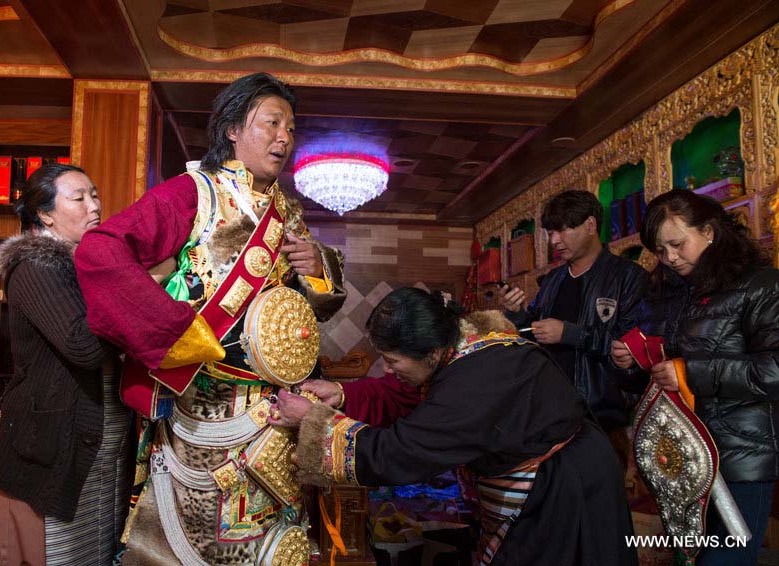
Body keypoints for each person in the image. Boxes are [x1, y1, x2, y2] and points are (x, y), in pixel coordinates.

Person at [74, 72, 346, 565]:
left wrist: (318, 268)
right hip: (205, 411)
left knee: (279, 546)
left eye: (290, 126)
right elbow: (102, 252)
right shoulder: (191, 193)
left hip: (278, 416)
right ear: (233, 130)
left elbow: (303, 313)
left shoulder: (288, 210)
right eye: (271, 122)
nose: (284, 136)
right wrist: (172, 333)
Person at [274, 287, 637, 566]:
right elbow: (404, 392)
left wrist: (312, 421)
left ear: (429, 353)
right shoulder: (463, 344)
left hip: (565, 485)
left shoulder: (472, 382)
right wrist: (340, 394)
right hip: (556, 469)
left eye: (392, 360)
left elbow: (400, 452)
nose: (387, 369)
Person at [611, 189, 779, 566]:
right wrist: (629, 363)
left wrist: (691, 373)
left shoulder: (761, 285)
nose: (670, 257)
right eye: (660, 249)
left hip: (738, 458)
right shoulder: (662, 292)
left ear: (710, 232)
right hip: (679, 461)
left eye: (677, 243)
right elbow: (650, 377)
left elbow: (775, 369)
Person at [0, 164, 133, 566]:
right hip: (54, 447)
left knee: (98, 552)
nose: (95, 206)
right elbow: (84, 347)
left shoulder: (83, 265)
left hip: (101, 446)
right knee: (59, 554)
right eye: (79, 198)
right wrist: (128, 289)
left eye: (95, 194)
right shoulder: (35, 267)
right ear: (45, 214)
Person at [498, 190, 646, 464]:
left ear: (590, 225)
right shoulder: (553, 280)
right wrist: (519, 316)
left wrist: (570, 333)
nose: (554, 241)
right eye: (551, 233)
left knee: (601, 502)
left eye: (562, 231)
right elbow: (536, 333)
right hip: (549, 415)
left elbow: (633, 347)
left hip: (601, 419)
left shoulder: (628, 277)